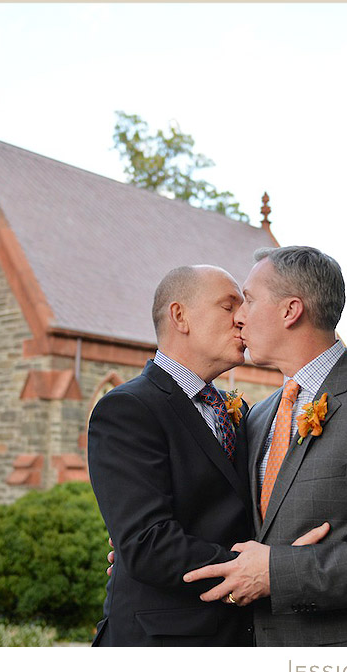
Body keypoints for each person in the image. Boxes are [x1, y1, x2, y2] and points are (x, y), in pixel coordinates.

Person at [183, 246, 347, 646]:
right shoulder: (259, 417)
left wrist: (282, 572)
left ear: (291, 311)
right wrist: (150, 550)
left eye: (250, 300)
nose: (239, 315)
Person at [86, 264, 256, 646]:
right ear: (180, 316)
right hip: (163, 641)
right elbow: (148, 544)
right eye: (229, 306)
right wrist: (256, 573)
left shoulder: (240, 412)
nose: (243, 318)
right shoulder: (128, 409)